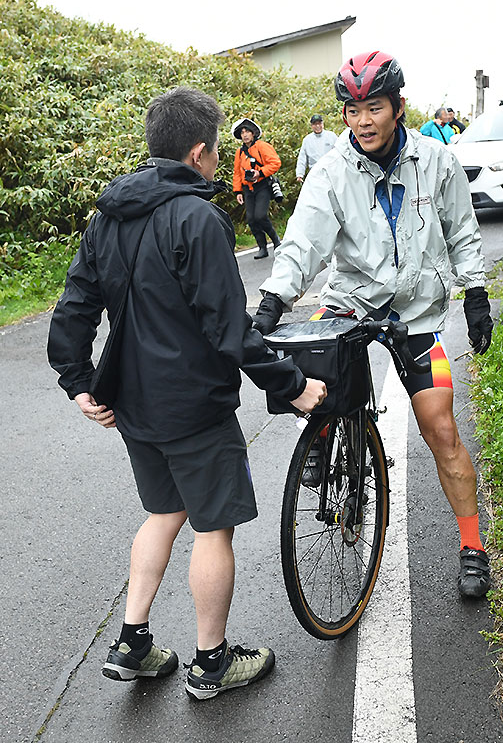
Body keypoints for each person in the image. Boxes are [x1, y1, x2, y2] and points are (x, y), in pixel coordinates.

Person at [48, 86, 327, 700]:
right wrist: (293, 385)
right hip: (194, 406)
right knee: (213, 528)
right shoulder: (198, 218)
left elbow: (75, 306)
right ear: (199, 152)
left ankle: (133, 641)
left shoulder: (109, 214)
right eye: (215, 150)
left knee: (163, 512)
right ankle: (211, 661)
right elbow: (228, 328)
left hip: (133, 405)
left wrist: (76, 380)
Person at [252, 51, 496, 600]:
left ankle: (473, 545)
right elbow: (304, 240)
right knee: (309, 370)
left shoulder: (436, 161)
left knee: (441, 427)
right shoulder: (332, 171)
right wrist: (272, 300)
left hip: (415, 312)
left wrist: (475, 291)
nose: (363, 121)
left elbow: (462, 231)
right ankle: (319, 438)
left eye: (374, 108)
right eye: (352, 110)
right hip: (349, 304)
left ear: (398, 108)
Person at [232, 118, 282, 259]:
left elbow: (275, 163)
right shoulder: (239, 152)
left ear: (253, 133)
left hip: (262, 186)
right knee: (251, 219)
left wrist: (260, 172)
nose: (245, 135)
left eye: (247, 131)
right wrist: (237, 191)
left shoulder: (262, 146)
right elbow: (237, 172)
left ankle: (275, 240)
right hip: (247, 188)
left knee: (260, 216)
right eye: (242, 132)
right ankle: (262, 247)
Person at [295, 113, 338, 182]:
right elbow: (302, 158)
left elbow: (339, 152)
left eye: (319, 123)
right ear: (311, 126)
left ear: (323, 124)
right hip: (314, 174)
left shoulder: (331, 136)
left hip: (331, 172)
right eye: (315, 124)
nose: (318, 126)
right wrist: (300, 174)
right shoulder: (307, 140)